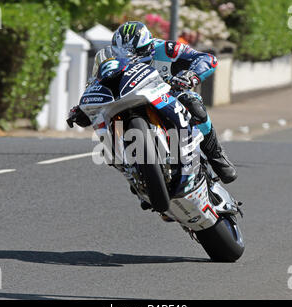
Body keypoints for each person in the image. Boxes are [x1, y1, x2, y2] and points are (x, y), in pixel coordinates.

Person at [69, 21, 237, 185]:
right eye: (123, 54)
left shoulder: (166, 49)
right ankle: (133, 175)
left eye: (139, 53)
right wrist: (82, 108)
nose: (133, 59)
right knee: (108, 125)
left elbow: (206, 58)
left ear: (149, 46)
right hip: (127, 99)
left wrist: (191, 75)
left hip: (169, 95)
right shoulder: (109, 60)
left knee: (193, 103)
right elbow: (95, 83)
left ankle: (216, 156)